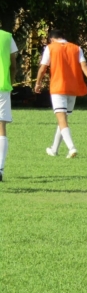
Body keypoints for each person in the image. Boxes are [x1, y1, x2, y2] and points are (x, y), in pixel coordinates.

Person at [35, 29, 87, 159]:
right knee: (63, 119)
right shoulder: (76, 48)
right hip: (73, 88)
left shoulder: (50, 48)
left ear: (52, 39)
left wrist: (38, 83)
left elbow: (42, 68)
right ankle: (54, 149)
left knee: (62, 119)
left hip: (58, 88)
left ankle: (71, 147)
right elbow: (84, 66)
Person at [0, 29, 18, 181]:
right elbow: (13, 65)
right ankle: (0, 167)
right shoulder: (7, 37)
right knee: (1, 128)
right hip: (2, 88)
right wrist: (10, 84)